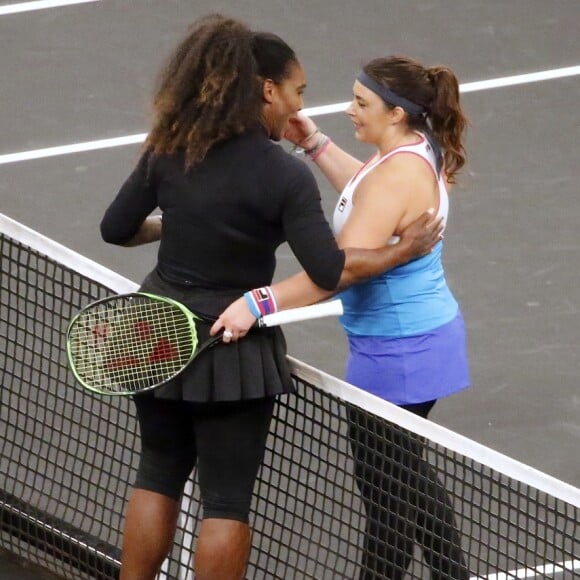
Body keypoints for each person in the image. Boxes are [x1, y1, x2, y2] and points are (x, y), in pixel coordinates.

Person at [99, 15, 442, 580]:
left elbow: (118, 228)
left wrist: (181, 221)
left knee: (157, 473)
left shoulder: (171, 147)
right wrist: (401, 252)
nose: (298, 105)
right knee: (226, 503)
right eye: (297, 91)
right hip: (232, 350)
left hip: (155, 329)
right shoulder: (282, 177)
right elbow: (329, 270)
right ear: (267, 90)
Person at [213, 55, 471, 579]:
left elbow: (338, 272)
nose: (349, 110)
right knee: (404, 475)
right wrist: (314, 143)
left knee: (386, 495)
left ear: (396, 112)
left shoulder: (396, 174)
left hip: (398, 353)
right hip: (418, 338)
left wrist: (257, 303)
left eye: (361, 103)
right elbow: (366, 194)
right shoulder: (407, 151)